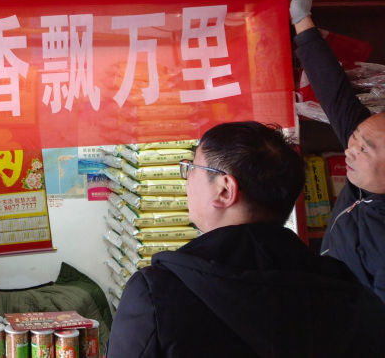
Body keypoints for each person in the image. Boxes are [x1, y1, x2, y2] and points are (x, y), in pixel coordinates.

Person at [107, 122, 385, 358]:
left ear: (225, 190)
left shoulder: (155, 293)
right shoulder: (351, 293)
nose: (187, 178)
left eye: (192, 168)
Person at [290, 0, 385, 300]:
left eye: (364, 148)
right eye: (354, 137)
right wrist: (301, 19)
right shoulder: (369, 143)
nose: (350, 150)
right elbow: (334, 92)